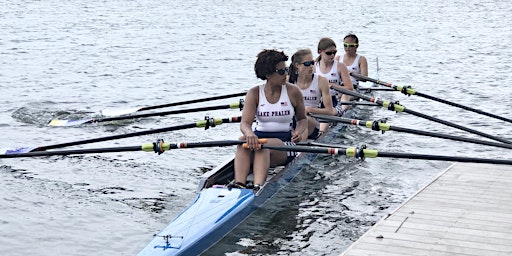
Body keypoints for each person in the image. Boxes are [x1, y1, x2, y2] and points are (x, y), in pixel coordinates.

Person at [233, 49, 307, 190]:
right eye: (280, 71)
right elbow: (245, 123)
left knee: (263, 147)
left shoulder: (293, 92)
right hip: (259, 139)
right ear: (267, 74)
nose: (285, 74)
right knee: (242, 141)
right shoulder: (254, 93)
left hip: (285, 144)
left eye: (285, 69)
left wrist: (299, 131)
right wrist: (249, 134)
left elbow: (302, 119)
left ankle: (257, 188)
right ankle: (239, 184)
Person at [288, 48, 337, 140]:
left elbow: (329, 111)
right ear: (297, 65)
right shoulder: (288, 81)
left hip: (312, 123)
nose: (311, 66)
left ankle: (300, 149)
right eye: (307, 64)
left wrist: (310, 109)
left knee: (304, 119)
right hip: (291, 120)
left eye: (312, 63)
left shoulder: (321, 81)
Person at [314, 37, 354, 131]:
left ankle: (321, 133)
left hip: (334, 102)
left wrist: (332, 86)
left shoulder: (340, 66)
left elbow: (349, 88)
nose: (332, 55)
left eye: (334, 52)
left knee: (327, 114)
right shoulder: (313, 66)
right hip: (317, 101)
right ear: (320, 52)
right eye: (329, 53)